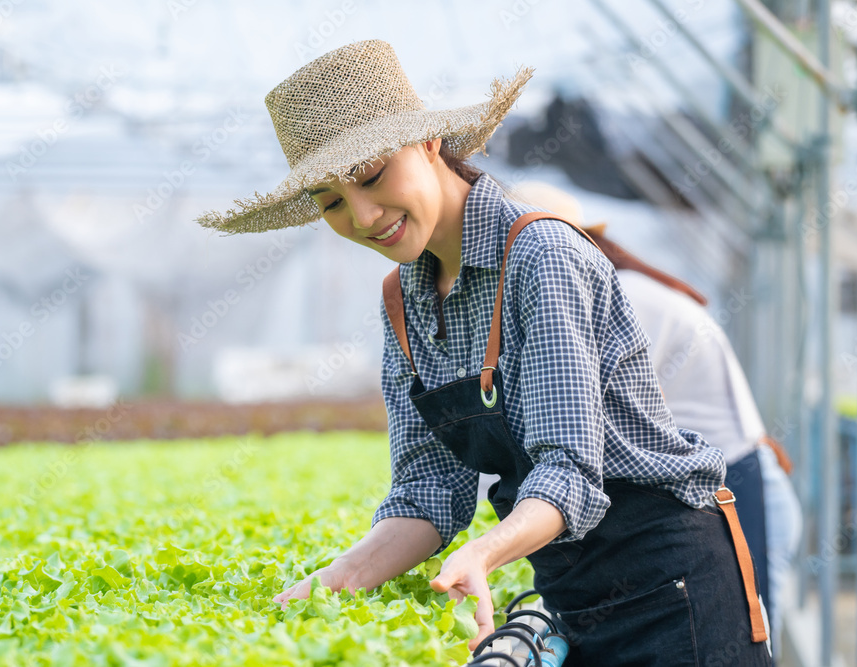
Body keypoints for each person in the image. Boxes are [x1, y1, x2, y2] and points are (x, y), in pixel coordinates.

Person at [197, 39, 772, 665]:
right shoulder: (405, 299)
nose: (363, 216)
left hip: (673, 586)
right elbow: (428, 495)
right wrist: (326, 586)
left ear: (427, 144)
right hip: (572, 590)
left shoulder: (540, 257)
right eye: (332, 202)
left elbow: (570, 472)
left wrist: (486, 550)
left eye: (371, 177)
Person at [510, 182, 802, 658]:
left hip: (739, 487)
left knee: (751, 644)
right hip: (719, 485)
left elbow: (580, 423)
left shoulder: (617, 298)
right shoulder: (610, 288)